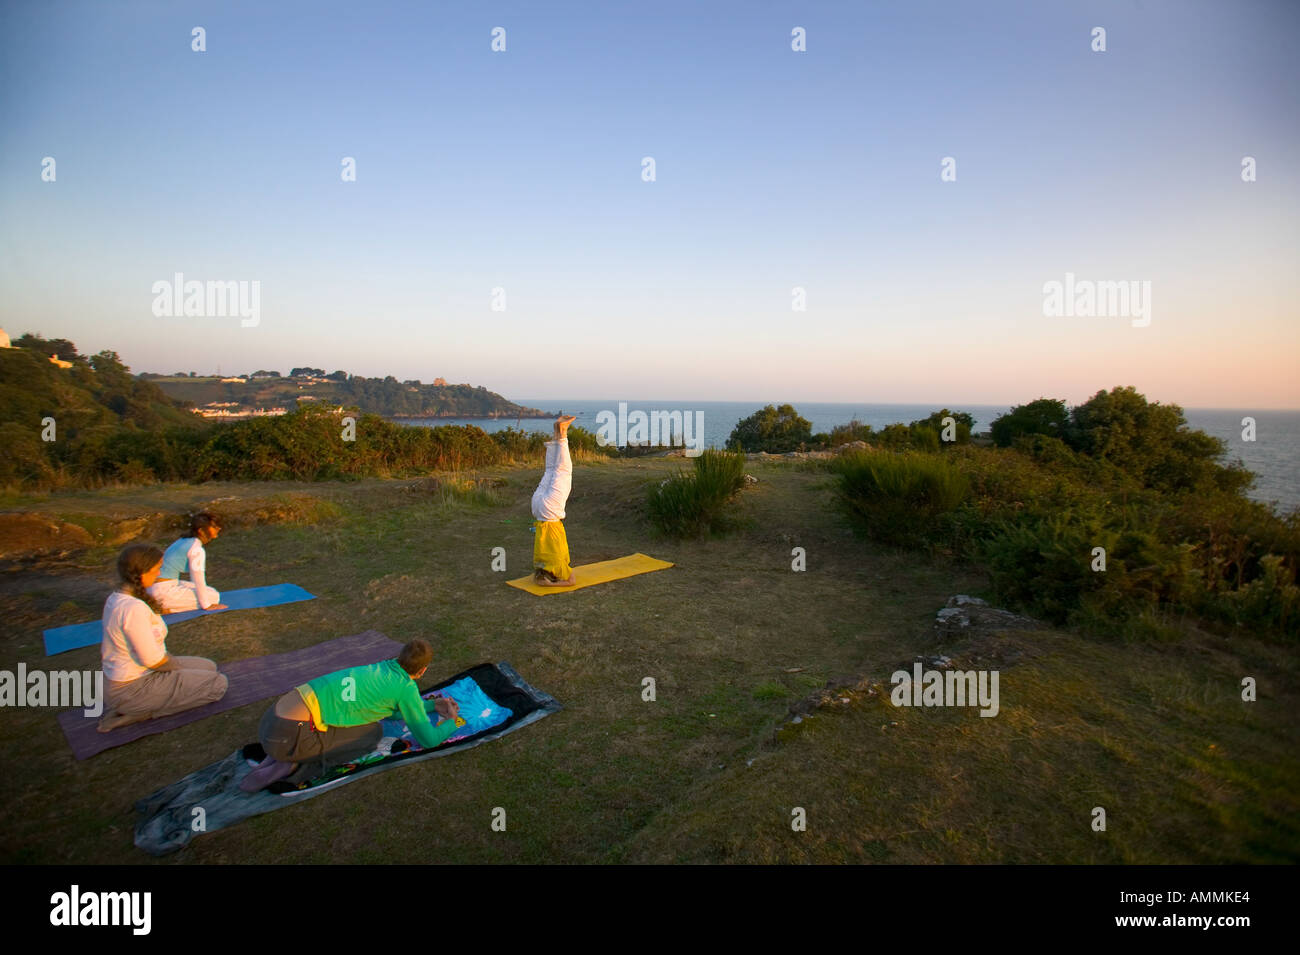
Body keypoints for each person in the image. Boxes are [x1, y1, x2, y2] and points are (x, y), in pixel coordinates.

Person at [240, 638, 462, 792]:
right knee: (372, 733)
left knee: (359, 721)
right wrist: (451, 721)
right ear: (423, 670)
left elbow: (394, 713)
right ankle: (296, 766)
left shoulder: (380, 668)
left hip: (271, 723)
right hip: (287, 737)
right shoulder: (405, 688)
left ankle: (287, 753)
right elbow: (429, 740)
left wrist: (433, 706)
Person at [98, 543, 229, 733]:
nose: (159, 573)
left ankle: (139, 704)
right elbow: (153, 660)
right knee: (218, 684)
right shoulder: (132, 608)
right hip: (132, 688)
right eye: (157, 569)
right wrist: (175, 669)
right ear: (142, 572)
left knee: (209, 666)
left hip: (134, 677)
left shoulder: (118, 597)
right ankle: (141, 712)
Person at [148, 511, 228, 612]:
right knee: (214, 597)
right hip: (163, 592)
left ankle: (162, 604)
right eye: (214, 527)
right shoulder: (196, 549)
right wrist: (206, 605)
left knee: (210, 590)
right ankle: (165, 608)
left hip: (155, 587)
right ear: (201, 531)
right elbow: (197, 579)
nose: (218, 530)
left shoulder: (183, 540)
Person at [531, 415, 578, 586]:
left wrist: (554, 585)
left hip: (549, 511)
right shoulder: (540, 564)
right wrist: (546, 581)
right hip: (537, 508)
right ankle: (557, 432)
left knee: (563, 471)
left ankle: (563, 432)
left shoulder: (558, 566)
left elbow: (571, 581)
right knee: (550, 470)